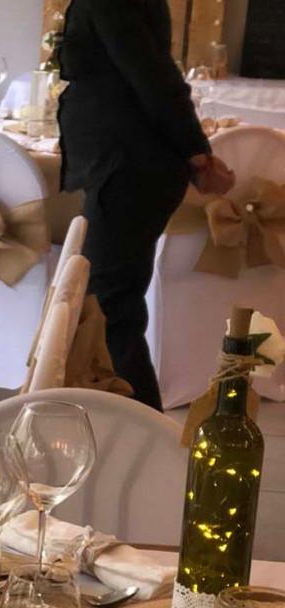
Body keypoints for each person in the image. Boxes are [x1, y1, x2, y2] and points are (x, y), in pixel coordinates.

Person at [57, 0, 235, 410]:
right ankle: (118, 426)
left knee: (110, 311)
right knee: (112, 304)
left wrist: (197, 154)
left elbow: (151, 74)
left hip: (127, 167)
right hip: (127, 164)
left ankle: (143, 435)